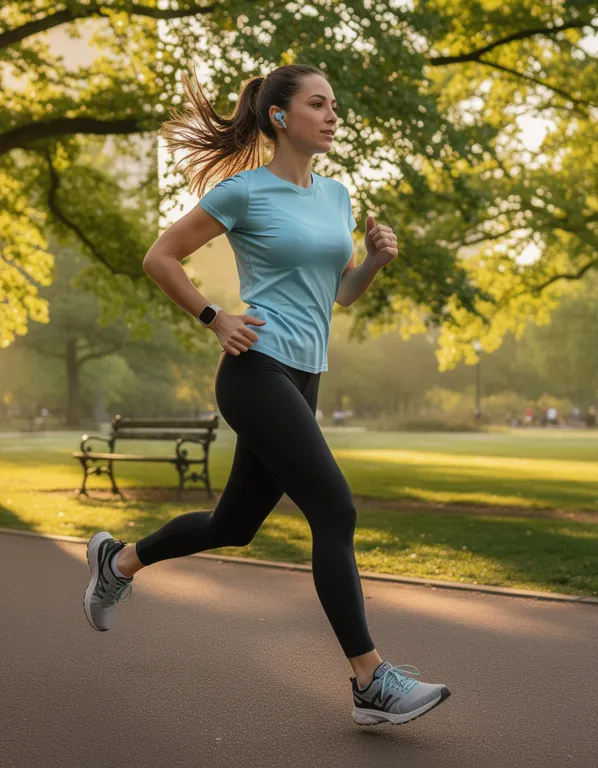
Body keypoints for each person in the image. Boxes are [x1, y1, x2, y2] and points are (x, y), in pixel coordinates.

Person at [81, 65, 451, 727]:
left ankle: (120, 560)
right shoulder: (245, 193)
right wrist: (214, 316)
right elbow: (160, 256)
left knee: (235, 526)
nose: (333, 115)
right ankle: (371, 680)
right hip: (256, 371)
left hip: (304, 375)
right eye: (318, 104)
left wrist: (373, 263)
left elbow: (337, 295)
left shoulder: (337, 196)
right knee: (334, 510)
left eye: (335, 104)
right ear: (280, 116)